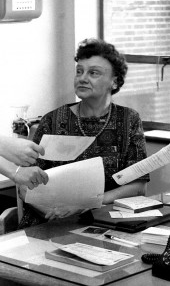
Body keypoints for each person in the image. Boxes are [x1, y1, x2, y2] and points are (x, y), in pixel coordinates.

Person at [18, 38, 150, 228]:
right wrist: (53, 212)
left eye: (93, 73)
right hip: (48, 221)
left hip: (103, 221)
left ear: (114, 82)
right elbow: (24, 183)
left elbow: (139, 186)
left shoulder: (128, 120)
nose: (82, 78)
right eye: (79, 71)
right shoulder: (52, 121)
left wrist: (86, 205)